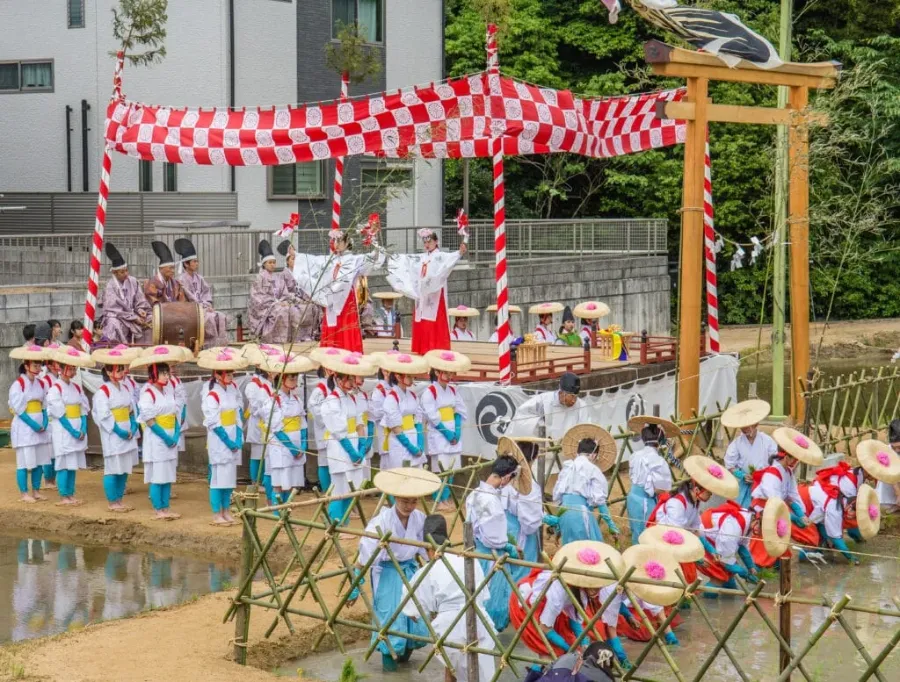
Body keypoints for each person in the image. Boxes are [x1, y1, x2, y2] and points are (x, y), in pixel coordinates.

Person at [350, 468, 437, 671]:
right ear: (395, 498)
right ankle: (389, 670)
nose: (409, 506)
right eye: (405, 501)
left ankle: (404, 664)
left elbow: (426, 548)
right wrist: (356, 583)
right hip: (387, 574)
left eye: (413, 502)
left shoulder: (419, 518)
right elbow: (364, 557)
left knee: (413, 618)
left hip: (409, 572)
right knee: (390, 620)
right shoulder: (381, 522)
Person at [401, 514, 497, 682]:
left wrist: (431, 612)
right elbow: (483, 596)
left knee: (452, 668)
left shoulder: (428, 570)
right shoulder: (470, 561)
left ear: (429, 549)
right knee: (480, 674)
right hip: (480, 622)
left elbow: (412, 611)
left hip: (449, 626)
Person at [509, 540, 630, 668]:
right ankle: (537, 673)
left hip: (549, 609)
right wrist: (569, 649)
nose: (596, 589)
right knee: (550, 651)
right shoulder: (559, 590)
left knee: (567, 647)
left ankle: (543, 670)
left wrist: (583, 643)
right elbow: (544, 628)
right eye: (592, 583)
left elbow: (575, 619)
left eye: (598, 584)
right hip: (528, 605)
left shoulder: (582, 592)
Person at [647, 455, 739, 586]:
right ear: (696, 490)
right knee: (674, 574)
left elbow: (695, 531)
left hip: (680, 538)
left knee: (689, 575)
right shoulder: (677, 504)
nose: (711, 495)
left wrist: (710, 550)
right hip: (665, 539)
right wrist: (697, 558)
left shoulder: (694, 502)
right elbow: (676, 534)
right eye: (709, 493)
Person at [291, 231, 385, 352]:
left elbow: (373, 256)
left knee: (345, 323)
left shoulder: (354, 259)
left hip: (346, 298)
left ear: (347, 243)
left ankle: (348, 349)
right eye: (335, 240)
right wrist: (296, 255)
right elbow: (312, 261)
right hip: (332, 296)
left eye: (340, 241)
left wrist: (374, 239)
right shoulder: (330, 259)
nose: (337, 243)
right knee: (332, 323)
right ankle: (330, 350)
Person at [748, 427, 823, 567]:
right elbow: (775, 502)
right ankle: (757, 568)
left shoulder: (788, 472)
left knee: (783, 540)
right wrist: (792, 518)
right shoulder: (772, 474)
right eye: (794, 458)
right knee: (764, 544)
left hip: (779, 508)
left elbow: (793, 495)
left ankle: (776, 564)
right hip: (764, 509)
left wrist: (801, 514)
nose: (796, 462)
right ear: (786, 456)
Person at [385, 229, 466, 353]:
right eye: (425, 242)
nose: (427, 245)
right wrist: (394, 258)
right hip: (423, 293)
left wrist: (460, 252)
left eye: (430, 242)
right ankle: (422, 347)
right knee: (421, 317)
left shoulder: (440, 256)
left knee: (433, 318)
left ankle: (436, 347)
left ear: (436, 242)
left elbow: (451, 258)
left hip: (435, 293)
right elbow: (409, 260)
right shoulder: (423, 257)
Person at [465, 455, 520, 632]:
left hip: (477, 551)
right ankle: (489, 633)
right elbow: (493, 537)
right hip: (491, 555)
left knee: (477, 595)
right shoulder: (491, 500)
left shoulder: (474, 493)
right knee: (494, 600)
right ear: (506, 477)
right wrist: (507, 545)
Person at [320, 352, 376, 525]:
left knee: (352, 487)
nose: (352, 383)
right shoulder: (331, 400)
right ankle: (334, 523)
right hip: (339, 447)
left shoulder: (352, 398)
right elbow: (338, 430)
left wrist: (362, 446)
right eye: (349, 379)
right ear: (338, 380)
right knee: (340, 488)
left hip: (354, 443)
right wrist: (351, 451)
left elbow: (359, 422)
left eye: (353, 379)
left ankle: (344, 523)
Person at [133, 347, 185, 520]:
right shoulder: (147, 393)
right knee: (158, 475)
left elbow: (175, 413)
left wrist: (176, 434)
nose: (167, 376)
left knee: (168, 474)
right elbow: (149, 419)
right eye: (163, 373)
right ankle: (158, 509)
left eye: (167, 373)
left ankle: (166, 507)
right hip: (156, 438)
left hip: (171, 434)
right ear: (154, 374)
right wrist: (165, 437)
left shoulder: (168, 391)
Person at [199, 349, 249, 526]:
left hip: (233, 434)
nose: (230, 376)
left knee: (229, 477)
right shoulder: (212, 394)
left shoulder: (232, 389)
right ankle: (216, 513)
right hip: (219, 440)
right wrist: (227, 441)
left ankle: (226, 510)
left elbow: (237, 413)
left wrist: (238, 436)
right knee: (218, 478)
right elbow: (213, 422)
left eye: (231, 373)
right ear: (217, 374)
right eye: (227, 373)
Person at [91, 347, 141, 513]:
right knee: (113, 468)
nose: (121, 372)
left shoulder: (125, 388)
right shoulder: (103, 392)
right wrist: (118, 430)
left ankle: (120, 499)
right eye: (118, 369)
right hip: (113, 434)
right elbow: (103, 415)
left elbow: (131, 409)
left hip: (127, 430)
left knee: (124, 467)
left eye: (122, 369)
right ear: (108, 371)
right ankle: (112, 502)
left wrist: (133, 425)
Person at [422, 349, 471, 511]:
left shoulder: (453, 390)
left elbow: (460, 409)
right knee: (440, 468)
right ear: (437, 372)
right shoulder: (430, 392)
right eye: (446, 372)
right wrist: (446, 432)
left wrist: (457, 430)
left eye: (451, 373)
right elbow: (432, 415)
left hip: (452, 430)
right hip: (439, 432)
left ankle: (447, 496)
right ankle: (439, 499)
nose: (450, 376)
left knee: (452, 467)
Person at [263, 353, 313, 507]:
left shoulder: (297, 399)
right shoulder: (273, 401)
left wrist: (302, 445)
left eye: (295, 378)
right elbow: (276, 428)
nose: (294, 381)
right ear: (282, 379)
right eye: (291, 378)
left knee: (291, 483)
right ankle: (278, 512)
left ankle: (286, 511)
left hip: (296, 444)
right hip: (281, 445)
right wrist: (292, 448)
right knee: (279, 483)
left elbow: (303, 423)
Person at [554, 430, 619, 544]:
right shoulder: (592, 469)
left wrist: (559, 527)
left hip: (563, 513)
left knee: (570, 548)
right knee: (588, 547)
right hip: (580, 514)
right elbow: (600, 501)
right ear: (593, 455)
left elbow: (559, 498)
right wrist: (611, 525)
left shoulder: (567, 468)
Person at [46, 348, 93, 506]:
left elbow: (83, 409)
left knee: (73, 464)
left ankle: (71, 494)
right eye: (70, 368)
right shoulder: (55, 389)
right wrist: (72, 431)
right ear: (61, 368)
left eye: (74, 368)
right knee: (63, 463)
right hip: (63, 429)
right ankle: (64, 495)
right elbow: (59, 413)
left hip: (77, 427)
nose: (73, 371)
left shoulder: (77, 387)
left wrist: (83, 428)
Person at [249, 240, 318, 344]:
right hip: (268, 307)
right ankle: (276, 339)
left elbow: (285, 294)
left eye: (274, 262)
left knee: (304, 308)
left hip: (280, 303)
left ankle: (300, 337)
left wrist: (296, 300)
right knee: (283, 311)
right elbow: (258, 299)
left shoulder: (277, 277)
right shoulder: (259, 278)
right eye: (270, 263)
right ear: (264, 264)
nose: (273, 265)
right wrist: (276, 303)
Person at [9, 345, 52, 503]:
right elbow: (18, 409)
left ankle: (36, 490)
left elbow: (45, 404)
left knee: (40, 460)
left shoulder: (41, 383)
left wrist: (45, 420)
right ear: (26, 366)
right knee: (23, 461)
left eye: (39, 365)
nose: (38, 368)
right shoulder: (18, 384)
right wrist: (33, 424)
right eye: (35, 365)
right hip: (25, 427)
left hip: (40, 425)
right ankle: (24, 493)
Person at [497, 437, 543, 582]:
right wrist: (539, 518)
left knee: (504, 570)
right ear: (534, 458)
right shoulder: (529, 487)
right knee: (523, 575)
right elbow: (530, 525)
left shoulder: (504, 478)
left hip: (502, 529)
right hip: (521, 534)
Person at [793, 471, 860, 565]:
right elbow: (836, 538)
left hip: (806, 499)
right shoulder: (835, 509)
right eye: (854, 514)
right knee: (812, 539)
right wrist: (850, 557)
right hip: (800, 503)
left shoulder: (841, 500)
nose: (853, 517)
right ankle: (803, 558)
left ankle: (810, 555)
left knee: (821, 537)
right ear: (849, 507)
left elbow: (823, 525)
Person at [625, 418, 676, 541]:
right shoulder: (659, 461)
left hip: (632, 498)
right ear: (660, 440)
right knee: (647, 534)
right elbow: (661, 489)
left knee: (636, 531)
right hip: (645, 502)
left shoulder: (634, 455)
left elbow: (632, 476)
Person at [721, 400, 777, 508]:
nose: (745, 429)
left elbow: (775, 463)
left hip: (764, 482)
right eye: (743, 426)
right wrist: (742, 475)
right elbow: (730, 465)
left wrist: (762, 475)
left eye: (748, 425)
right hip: (745, 484)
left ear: (756, 424)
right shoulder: (737, 443)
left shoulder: (767, 441)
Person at [174, 238, 229, 348]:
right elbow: (189, 297)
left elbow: (206, 293)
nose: (197, 263)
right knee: (210, 319)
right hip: (192, 310)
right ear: (186, 264)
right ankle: (207, 345)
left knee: (220, 316)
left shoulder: (199, 278)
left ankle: (220, 345)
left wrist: (207, 305)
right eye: (194, 261)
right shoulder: (181, 280)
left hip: (203, 307)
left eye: (197, 261)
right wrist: (202, 307)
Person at [509, 372, 592, 443]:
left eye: (576, 396)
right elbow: (522, 414)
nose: (574, 400)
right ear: (561, 393)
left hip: (570, 448)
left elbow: (586, 428)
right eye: (572, 396)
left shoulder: (581, 405)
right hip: (546, 445)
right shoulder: (544, 401)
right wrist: (539, 424)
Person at [380, 353, 428, 470]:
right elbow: (395, 427)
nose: (412, 379)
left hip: (414, 437)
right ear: (398, 377)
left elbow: (418, 419)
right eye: (409, 376)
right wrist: (410, 446)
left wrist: (420, 442)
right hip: (399, 441)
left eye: (412, 376)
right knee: (401, 474)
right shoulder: (391, 398)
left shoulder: (413, 395)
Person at [697, 500, 760, 587]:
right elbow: (725, 561)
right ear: (757, 520)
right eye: (761, 528)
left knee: (729, 576)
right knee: (719, 577)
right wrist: (745, 574)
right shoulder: (733, 526)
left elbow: (742, 545)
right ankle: (704, 594)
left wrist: (751, 566)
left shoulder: (749, 519)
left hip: (716, 542)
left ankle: (729, 590)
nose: (760, 532)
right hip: (703, 540)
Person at [98, 243, 152, 345]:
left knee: (151, 318)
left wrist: (140, 310)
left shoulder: (133, 281)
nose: (126, 274)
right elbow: (114, 310)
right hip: (117, 316)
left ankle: (144, 348)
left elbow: (140, 300)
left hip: (133, 314)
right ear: (115, 273)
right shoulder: (110, 286)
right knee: (113, 323)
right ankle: (116, 351)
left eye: (127, 270)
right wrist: (134, 318)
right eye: (122, 272)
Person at [244, 350, 279, 505]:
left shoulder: (269, 384)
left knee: (266, 454)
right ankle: (255, 482)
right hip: (259, 422)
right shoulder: (253, 385)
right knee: (257, 453)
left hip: (268, 422)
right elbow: (255, 404)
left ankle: (263, 481)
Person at [143, 241, 187, 306]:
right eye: (170, 268)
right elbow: (152, 301)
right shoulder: (152, 283)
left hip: (175, 310)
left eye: (173, 268)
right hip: (158, 310)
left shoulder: (176, 283)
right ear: (161, 268)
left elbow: (182, 300)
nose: (173, 271)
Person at [874, 422, 900, 513]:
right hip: (891, 482)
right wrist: (898, 493)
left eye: (899, 447)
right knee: (884, 506)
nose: (896, 450)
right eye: (894, 447)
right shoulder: (886, 451)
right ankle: (894, 504)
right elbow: (889, 474)